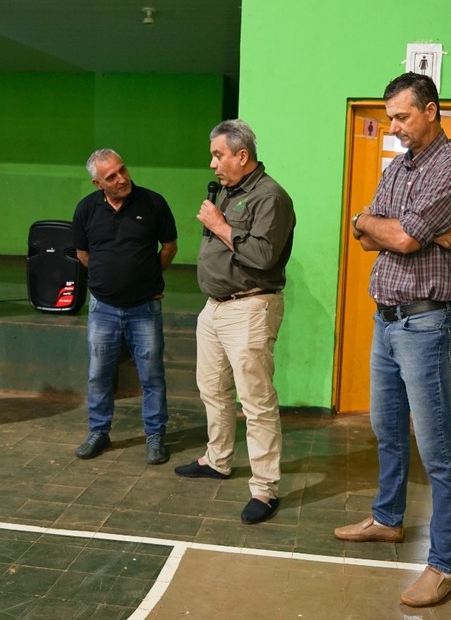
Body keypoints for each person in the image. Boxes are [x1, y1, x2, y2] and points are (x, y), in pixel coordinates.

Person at [333, 72, 451, 607]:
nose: (392, 127)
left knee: (438, 448)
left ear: (432, 110)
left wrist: (394, 230)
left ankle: (445, 564)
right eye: (390, 116)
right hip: (387, 318)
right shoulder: (398, 167)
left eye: (402, 116)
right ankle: (387, 518)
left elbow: (395, 235)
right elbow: (365, 234)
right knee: (387, 428)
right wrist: (381, 224)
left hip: (427, 322)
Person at [174, 119, 295, 526]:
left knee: (256, 403)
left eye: (218, 155)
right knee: (212, 389)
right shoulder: (227, 192)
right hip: (215, 308)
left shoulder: (271, 197)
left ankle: (264, 488)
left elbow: (262, 256)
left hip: (249, 307)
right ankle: (218, 459)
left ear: (242, 156)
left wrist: (220, 226)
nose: (213, 164)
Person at [71, 149, 179, 465]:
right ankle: (99, 432)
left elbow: (170, 247)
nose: (122, 179)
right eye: (112, 177)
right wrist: (108, 280)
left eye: (123, 170)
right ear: (97, 183)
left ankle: (155, 435)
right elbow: (82, 253)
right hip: (102, 308)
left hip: (144, 308)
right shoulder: (86, 210)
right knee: (99, 374)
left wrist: (145, 276)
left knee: (152, 375)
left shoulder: (153, 203)